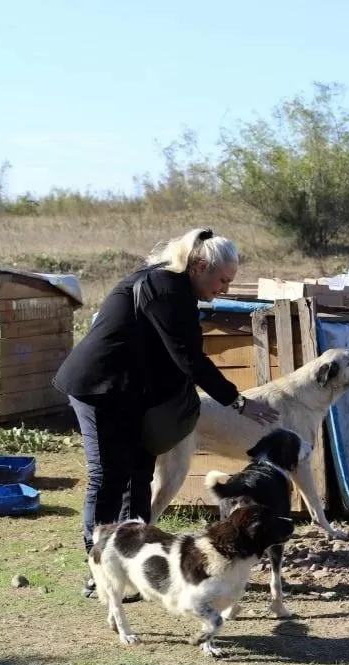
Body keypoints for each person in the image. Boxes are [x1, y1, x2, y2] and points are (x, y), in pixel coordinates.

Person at [54, 228, 279, 595]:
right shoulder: (165, 288)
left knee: (139, 474)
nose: (224, 288)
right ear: (199, 266)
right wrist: (237, 401)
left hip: (132, 392)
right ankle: (100, 568)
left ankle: (136, 561)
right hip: (98, 387)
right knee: (108, 476)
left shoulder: (179, 290)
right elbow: (189, 357)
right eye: (222, 279)